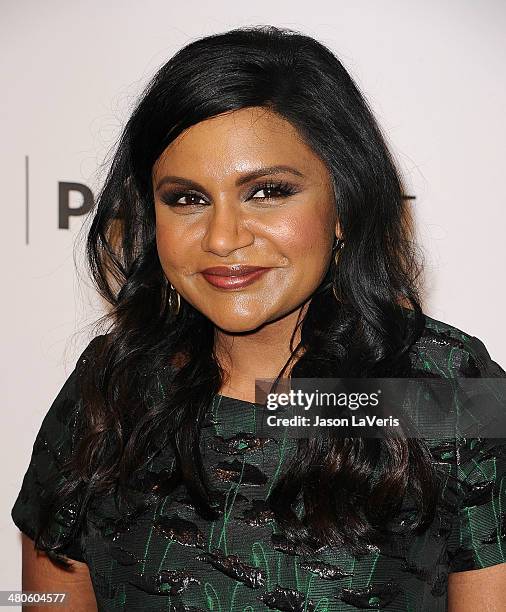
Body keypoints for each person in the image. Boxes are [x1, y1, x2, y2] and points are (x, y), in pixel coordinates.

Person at [11, 24, 506, 612]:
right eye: (187, 198)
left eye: (267, 191)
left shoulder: (443, 388)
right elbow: (42, 597)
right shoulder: (113, 388)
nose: (222, 238)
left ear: (345, 203)